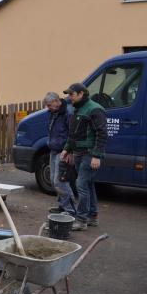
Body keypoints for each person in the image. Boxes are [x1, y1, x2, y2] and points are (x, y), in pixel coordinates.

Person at [61, 83, 107, 230]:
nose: (69, 97)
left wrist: (96, 156)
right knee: (88, 184)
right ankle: (92, 217)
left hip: (89, 152)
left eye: (71, 94)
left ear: (81, 94)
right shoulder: (78, 109)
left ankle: (81, 220)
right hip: (79, 152)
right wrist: (67, 149)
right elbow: (73, 133)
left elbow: (102, 133)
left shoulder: (95, 109)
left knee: (81, 184)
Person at [43, 92, 76, 217]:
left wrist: (69, 151)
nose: (48, 108)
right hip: (54, 150)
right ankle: (62, 206)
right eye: (48, 105)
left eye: (50, 105)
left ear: (58, 101)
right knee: (53, 180)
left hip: (63, 151)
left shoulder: (68, 112)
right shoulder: (53, 113)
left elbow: (73, 134)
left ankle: (71, 210)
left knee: (60, 181)